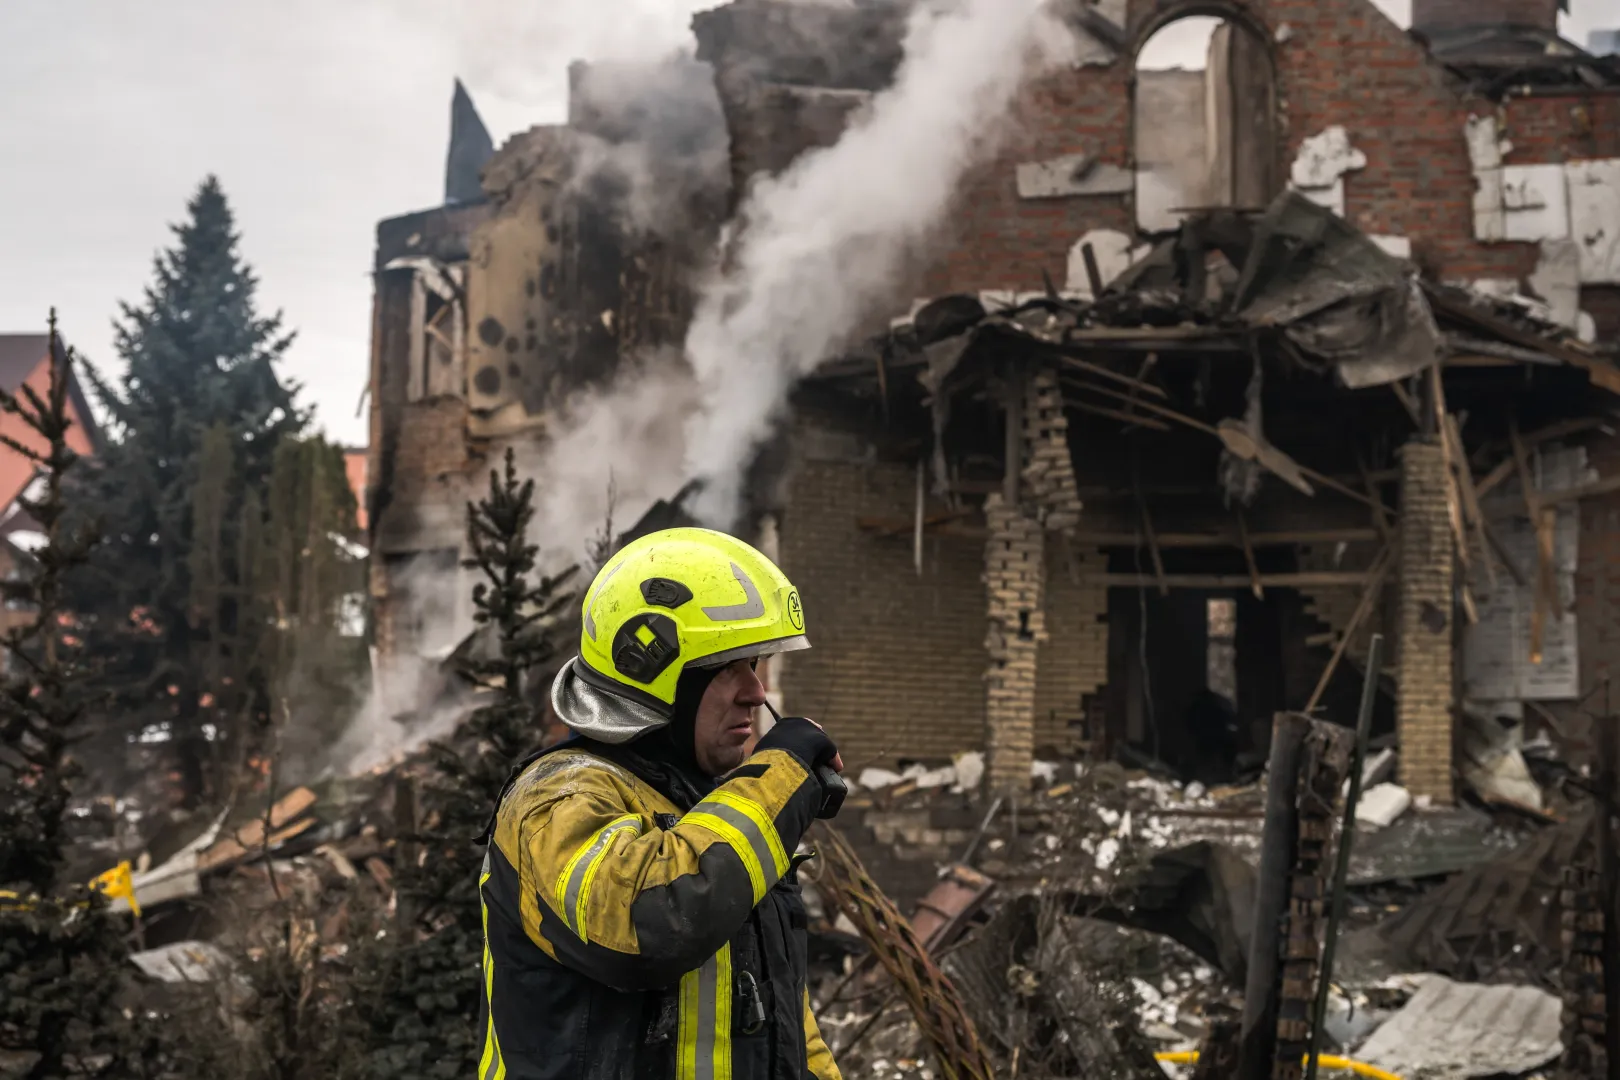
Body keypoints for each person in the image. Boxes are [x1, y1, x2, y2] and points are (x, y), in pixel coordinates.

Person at [478, 527, 846, 1080]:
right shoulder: (559, 798)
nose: (755, 692)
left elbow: (788, 1029)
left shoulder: (722, 813)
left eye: (758, 665)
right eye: (730, 668)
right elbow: (646, 925)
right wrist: (780, 779)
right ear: (651, 670)